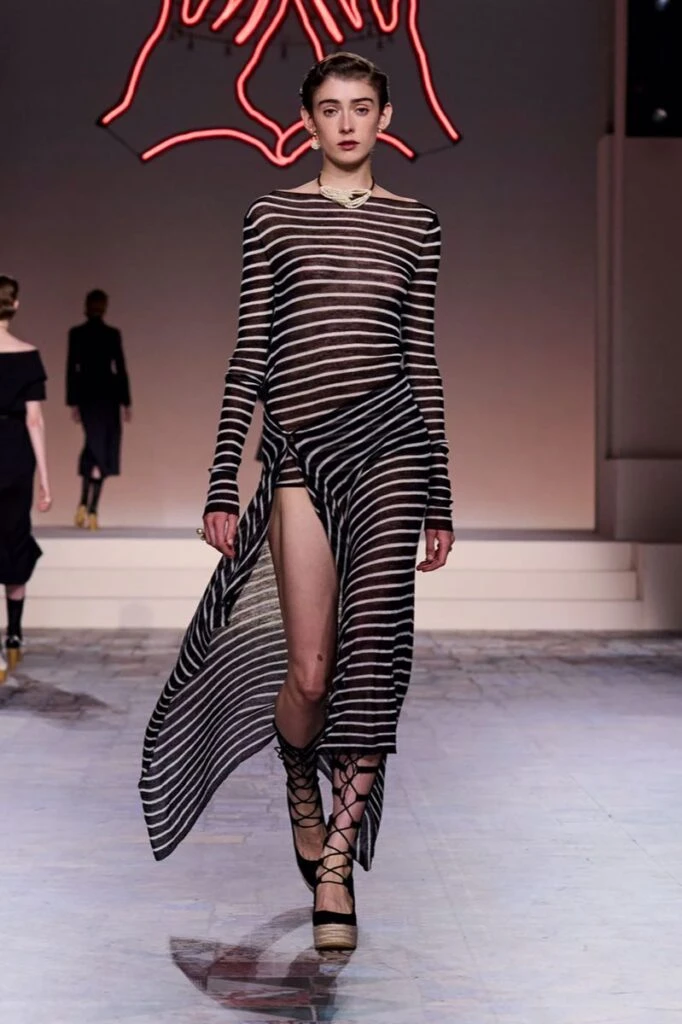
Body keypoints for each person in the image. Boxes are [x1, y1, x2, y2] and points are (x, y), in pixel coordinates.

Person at [139, 52, 455, 952]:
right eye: (330, 108)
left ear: (386, 117)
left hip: (392, 450)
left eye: (362, 107)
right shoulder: (272, 217)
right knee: (311, 675)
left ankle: (336, 866)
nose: (347, 123)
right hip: (299, 458)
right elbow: (251, 351)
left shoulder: (418, 224)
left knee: (372, 659)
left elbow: (421, 358)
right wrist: (220, 480)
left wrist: (439, 493)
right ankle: (296, 777)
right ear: (307, 122)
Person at [0, 276, 51, 683]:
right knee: (14, 536)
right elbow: (34, 420)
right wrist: (46, 480)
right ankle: (14, 635)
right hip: (16, 456)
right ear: (14, 305)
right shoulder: (28, 356)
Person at [66, 289, 131, 529]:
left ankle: (86, 505)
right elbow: (120, 368)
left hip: (89, 396)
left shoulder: (78, 334)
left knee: (95, 447)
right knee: (101, 448)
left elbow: (72, 369)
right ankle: (91, 508)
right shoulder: (110, 334)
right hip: (106, 395)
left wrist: (73, 401)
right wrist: (126, 402)